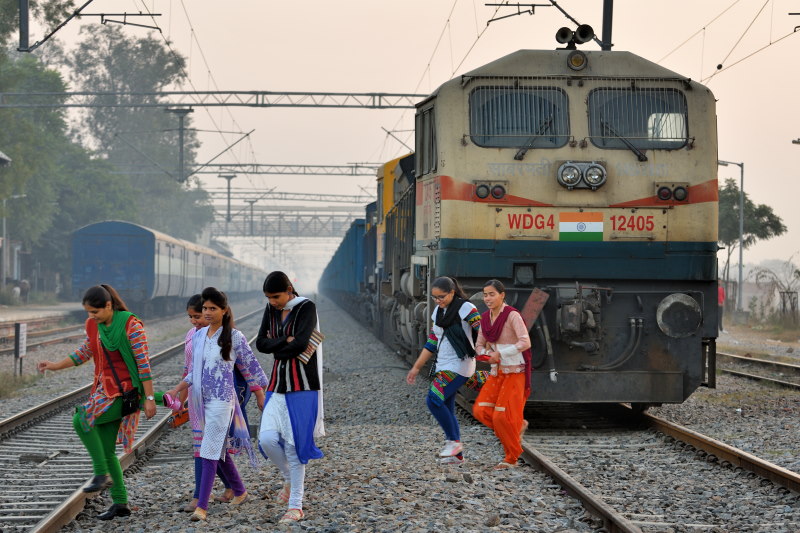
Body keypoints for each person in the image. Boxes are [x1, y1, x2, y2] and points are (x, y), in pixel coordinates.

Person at [37, 284, 158, 520]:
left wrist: (150, 398)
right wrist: (54, 365)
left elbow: (143, 364)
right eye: (88, 312)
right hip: (103, 391)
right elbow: (84, 352)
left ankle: (101, 473)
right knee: (107, 449)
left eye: (95, 312)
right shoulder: (94, 325)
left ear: (109, 305)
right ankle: (120, 503)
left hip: (125, 393)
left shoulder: (131, 325)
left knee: (80, 419)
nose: (91, 317)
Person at [164, 287, 268, 522]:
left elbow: (250, 368)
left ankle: (202, 507)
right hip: (200, 402)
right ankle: (240, 491)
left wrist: (260, 395)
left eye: (213, 308)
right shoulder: (198, 336)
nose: (207, 312)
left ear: (224, 310)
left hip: (222, 401)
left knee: (209, 451)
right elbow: (194, 372)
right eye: (205, 308)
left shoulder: (235, 337)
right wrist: (176, 390)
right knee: (215, 449)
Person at [256, 271, 325, 524]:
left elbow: (302, 344)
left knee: (294, 447)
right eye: (268, 297)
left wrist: (277, 346)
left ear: (289, 290)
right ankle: (288, 478)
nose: (272, 302)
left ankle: (295, 506)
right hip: (277, 384)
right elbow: (260, 344)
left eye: (276, 296)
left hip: (302, 386)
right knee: (266, 439)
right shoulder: (271, 309)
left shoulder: (306, 307)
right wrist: (285, 339)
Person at [406, 276, 480, 466]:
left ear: (452, 292)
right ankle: (456, 455)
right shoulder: (438, 312)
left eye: (441, 297)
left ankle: (454, 442)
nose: (438, 301)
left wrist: (489, 352)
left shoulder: (466, 308)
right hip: (444, 365)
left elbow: (482, 331)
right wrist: (416, 367)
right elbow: (432, 343)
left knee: (433, 399)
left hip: (460, 364)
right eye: (434, 297)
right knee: (447, 405)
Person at [472, 279, 532, 470]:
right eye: (485, 295)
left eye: (492, 294)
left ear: (502, 295)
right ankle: (517, 427)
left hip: (515, 371)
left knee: (500, 417)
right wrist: (488, 355)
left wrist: (501, 353)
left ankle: (511, 458)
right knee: (480, 411)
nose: (487, 298)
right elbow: (479, 346)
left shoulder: (512, 315)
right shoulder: (485, 318)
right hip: (496, 371)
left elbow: (525, 342)